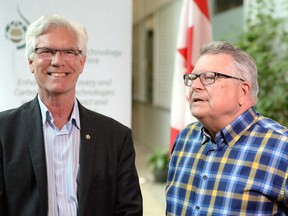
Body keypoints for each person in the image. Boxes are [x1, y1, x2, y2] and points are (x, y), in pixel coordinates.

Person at [0, 14, 142, 216]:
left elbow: (130, 210)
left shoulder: (116, 138)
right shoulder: (4, 133)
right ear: (31, 62)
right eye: (46, 51)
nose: (58, 61)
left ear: (82, 63)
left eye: (69, 52)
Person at [166, 41, 288, 215]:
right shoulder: (185, 138)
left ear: (243, 91)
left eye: (209, 77)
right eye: (192, 78)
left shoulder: (281, 146)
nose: (195, 86)